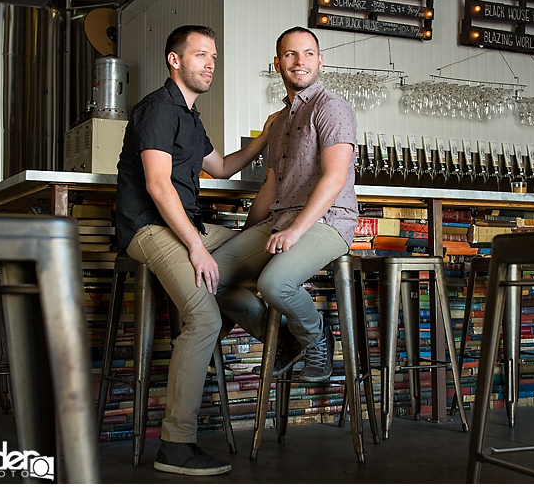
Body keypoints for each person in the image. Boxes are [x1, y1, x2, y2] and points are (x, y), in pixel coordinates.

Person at [116, 24, 278, 476]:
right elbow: (156, 184)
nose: (210, 63)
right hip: (148, 228)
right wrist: (197, 248)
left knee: (268, 245)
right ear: (175, 60)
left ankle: (282, 341)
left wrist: (266, 136)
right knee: (203, 316)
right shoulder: (157, 109)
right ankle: (176, 446)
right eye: (201, 54)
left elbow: (222, 168)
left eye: (214, 56)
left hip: (187, 226)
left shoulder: (190, 116)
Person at [214, 26, 357, 383]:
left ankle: (316, 337)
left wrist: (295, 230)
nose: (300, 61)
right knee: (207, 277)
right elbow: (271, 186)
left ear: (320, 61)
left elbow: (335, 178)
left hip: (328, 222)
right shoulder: (278, 122)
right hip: (279, 221)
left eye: (308, 53)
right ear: (277, 63)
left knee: (276, 284)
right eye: (291, 54)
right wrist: (244, 240)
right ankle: (284, 342)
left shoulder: (332, 108)